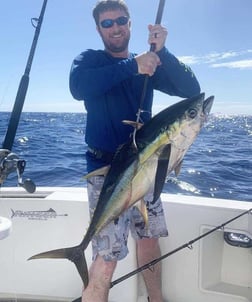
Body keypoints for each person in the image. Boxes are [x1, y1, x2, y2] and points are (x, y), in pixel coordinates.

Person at [69, 1, 201, 301]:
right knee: (107, 256)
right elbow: (79, 87)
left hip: (149, 164)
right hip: (107, 172)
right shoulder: (90, 60)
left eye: (120, 20)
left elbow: (193, 91)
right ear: (99, 29)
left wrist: (161, 53)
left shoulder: (151, 64)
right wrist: (133, 65)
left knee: (149, 240)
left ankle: (156, 300)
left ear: (130, 24)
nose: (115, 27)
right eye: (107, 23)